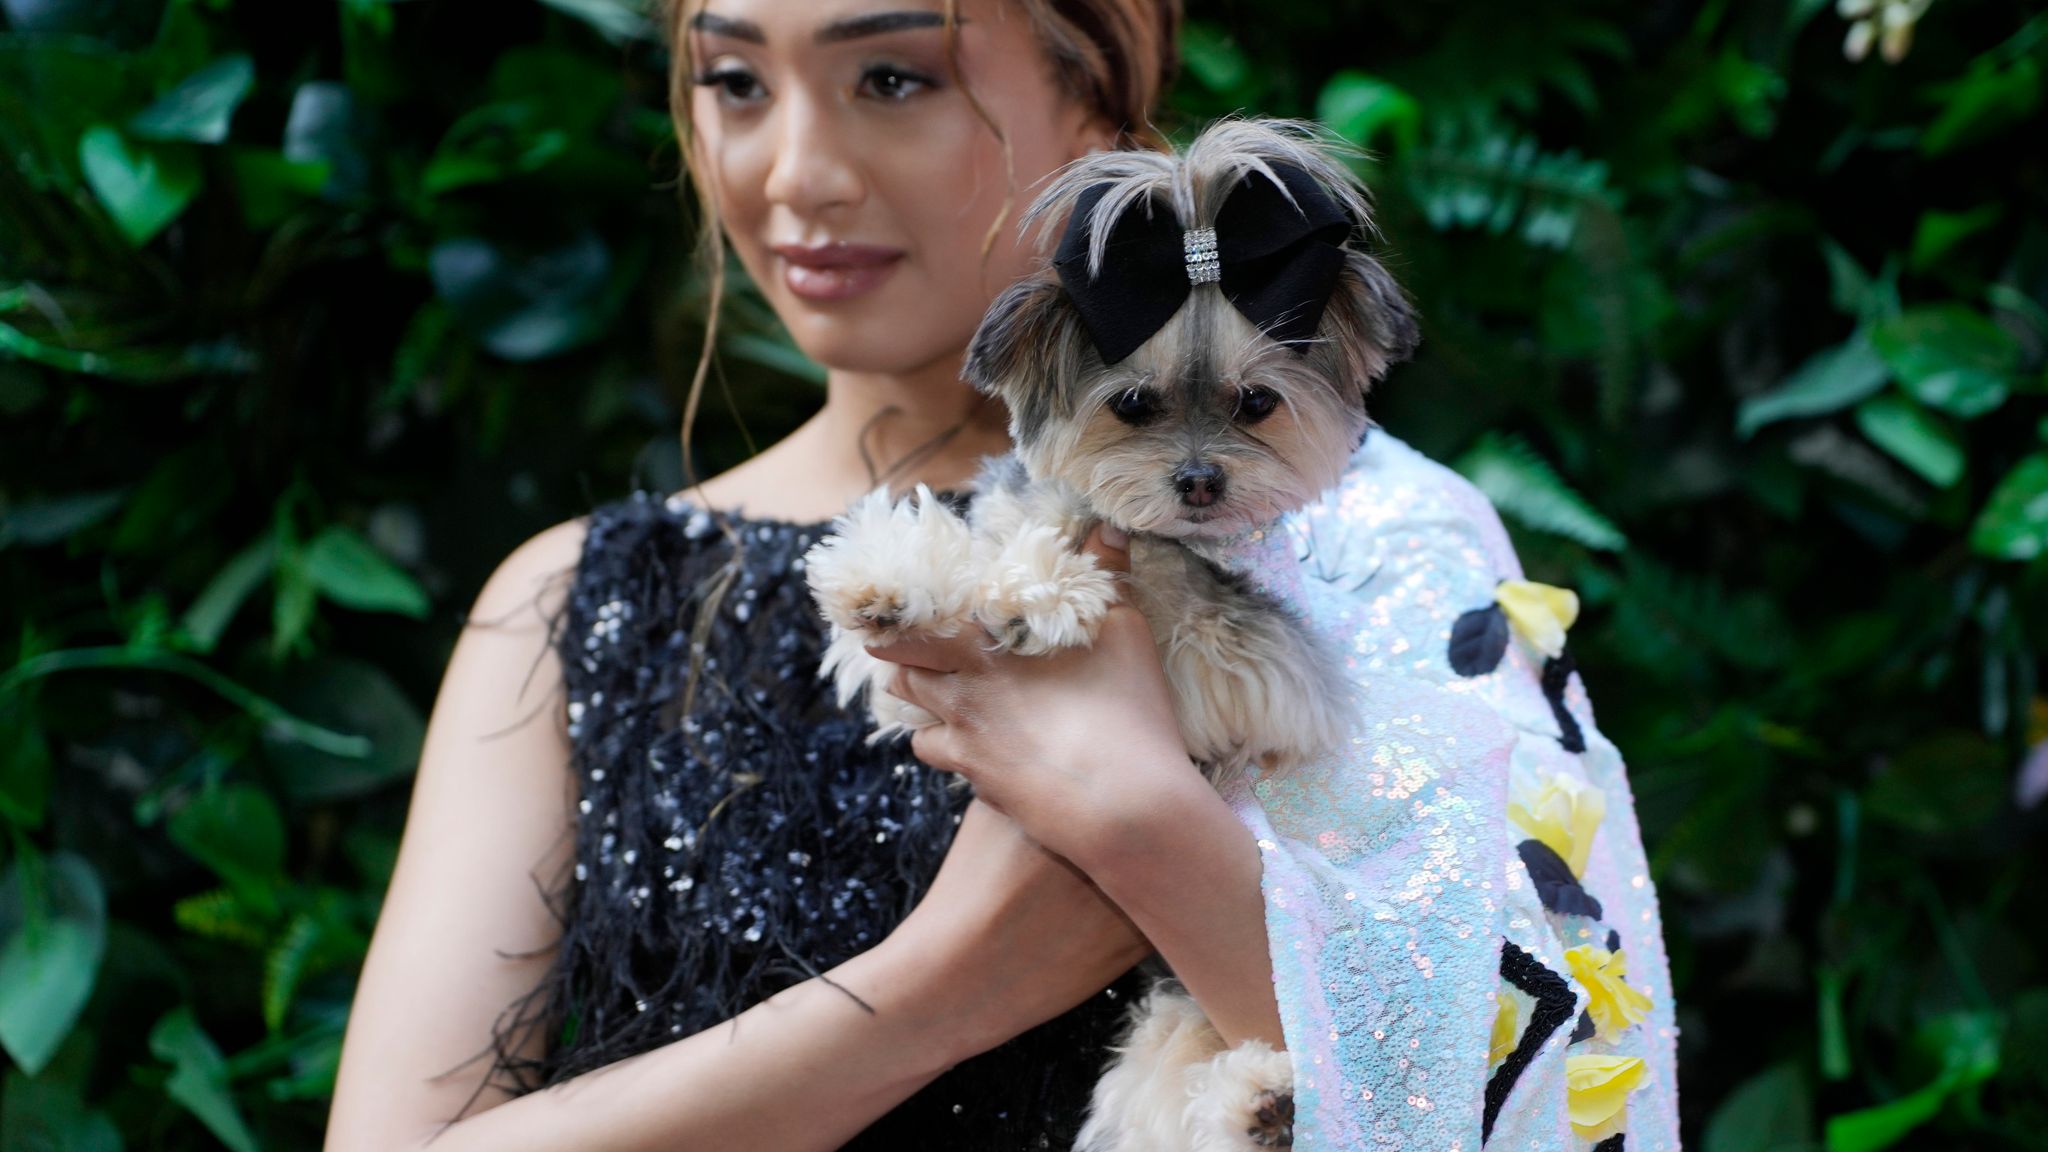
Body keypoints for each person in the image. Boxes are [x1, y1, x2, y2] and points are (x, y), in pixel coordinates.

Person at [324, 0, 1683, 1149]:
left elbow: (1565, 1095)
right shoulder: (577, 602)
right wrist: (942, 989)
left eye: (892, 78)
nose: (798, 169)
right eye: (734, 81)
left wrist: (1146, 826)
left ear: (1098, 107)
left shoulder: (1368, 537)